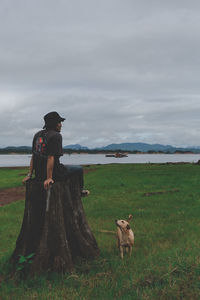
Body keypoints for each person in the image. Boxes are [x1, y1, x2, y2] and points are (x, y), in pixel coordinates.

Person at [22, 111, 89, 196]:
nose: (61, 125)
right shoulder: (56, 136)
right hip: (55, 174)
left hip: (39, 175)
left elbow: (33, 156)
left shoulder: (37, 135)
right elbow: (51, 157)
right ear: (54, 123)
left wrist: (29, 175)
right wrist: (49, 178)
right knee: (78, 169)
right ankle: (80, 191)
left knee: (69, 168)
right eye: (59, 122)